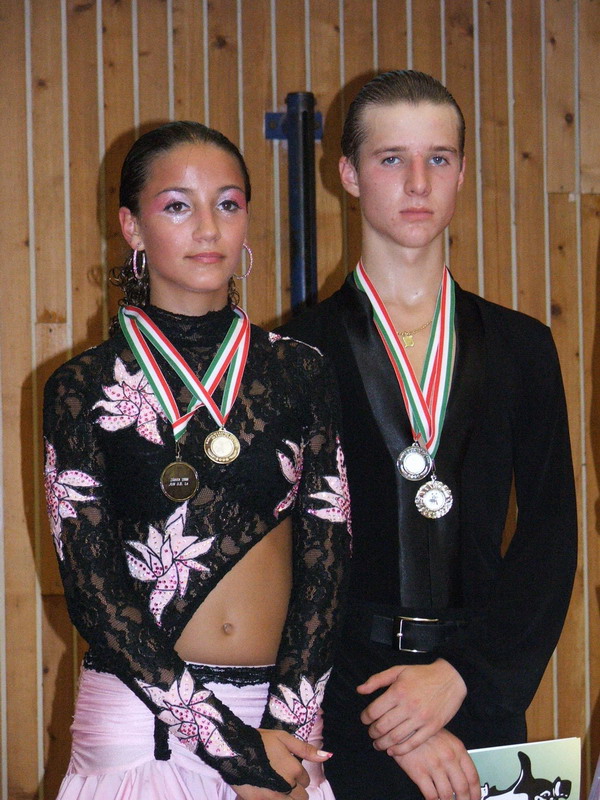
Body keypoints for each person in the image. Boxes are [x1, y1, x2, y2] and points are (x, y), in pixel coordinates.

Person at [278, 70, 577, 800]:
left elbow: (550, 537)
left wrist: (464, 678)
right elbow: (280, 561)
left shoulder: (523, 346)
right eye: (392, 159)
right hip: (347, 705)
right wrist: (391, 721)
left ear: (462, 172)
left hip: (485, 694)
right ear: (349, 174)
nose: (418, 183)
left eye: (438, 158)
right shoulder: (292, 353)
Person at [43, 120, 351, 800]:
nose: (208, 227)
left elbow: (327, 558)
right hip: (143, 723)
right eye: (178, 206)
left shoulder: (301, 371)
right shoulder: (80, 387)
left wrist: (283, 737)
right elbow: (94, 594)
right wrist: (234, 752)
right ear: (132, 226)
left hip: (279, 730)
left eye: (228, 203)